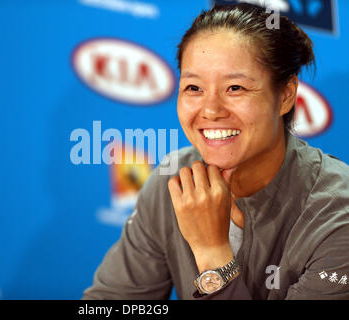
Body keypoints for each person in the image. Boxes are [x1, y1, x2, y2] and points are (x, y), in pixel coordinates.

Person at [82, 3, 349, 300]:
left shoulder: (338, 215)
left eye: (235, 88)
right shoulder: (172, 181)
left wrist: (212, 252)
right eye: (194, 88)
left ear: (285, 95)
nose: (210, 110)